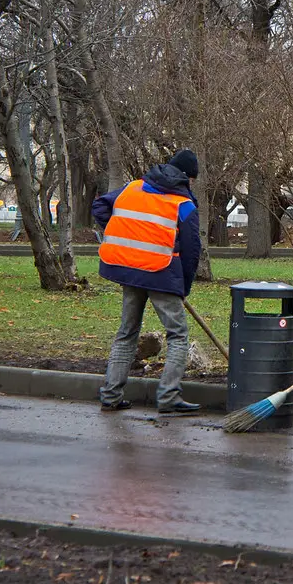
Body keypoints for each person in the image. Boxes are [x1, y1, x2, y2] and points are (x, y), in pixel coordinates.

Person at [92, 149, 203, 414]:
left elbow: (99, 206)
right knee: (177, 335)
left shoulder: (132, 188)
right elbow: (191, 251)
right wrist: (183, 287)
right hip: (161, 272)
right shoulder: (183, 204)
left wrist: (125, 232)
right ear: (187, 177)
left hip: (128, 270)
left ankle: (110, 395)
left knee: (127, 332)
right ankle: (168, 397)